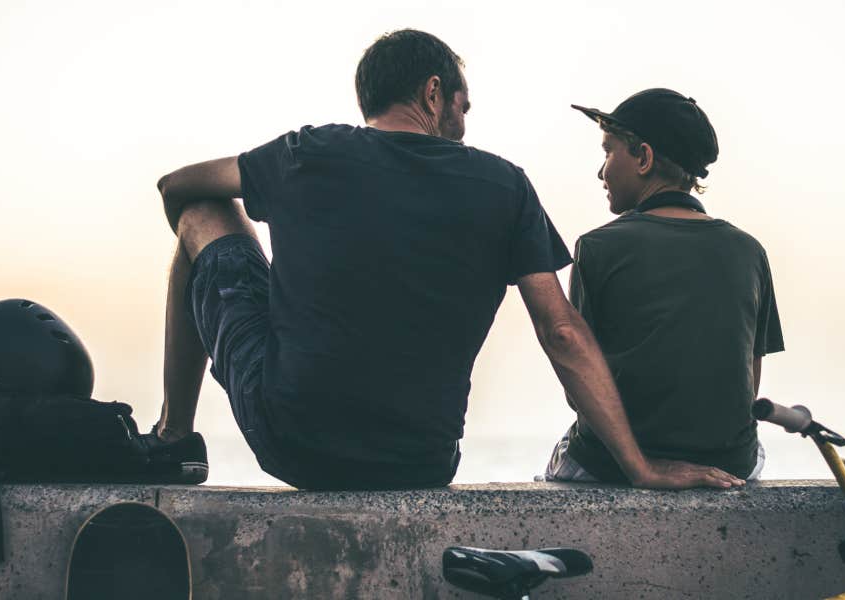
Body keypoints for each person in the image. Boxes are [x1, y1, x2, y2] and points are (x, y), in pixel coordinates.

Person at [148, 30, 743, 490]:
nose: (465, 119)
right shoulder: (504, 185)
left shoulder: (308, 153)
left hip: (292, 443)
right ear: (434, 93)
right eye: (464, 103)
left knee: (203, 213)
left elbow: (178, 187)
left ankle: (174, 436)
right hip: (422, 460)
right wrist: (639, 466)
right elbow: (561, 332)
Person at [544, 89, 785, 484]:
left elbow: (580, 393)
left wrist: (644, 461)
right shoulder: (749, 251)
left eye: (608, 152)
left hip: (614, 463)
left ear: (643, 158)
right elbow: (746, 383)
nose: (600, 172)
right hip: (731, 465)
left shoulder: (599, 247)